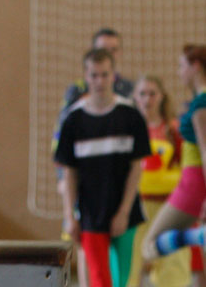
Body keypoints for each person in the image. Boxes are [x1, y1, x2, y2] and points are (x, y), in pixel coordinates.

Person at [55, 47, 151, 287]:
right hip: (89, 213)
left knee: (124, 280)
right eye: (94, 75)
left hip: (125, 211)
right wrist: (69, 216)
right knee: (99, 279)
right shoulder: (73, 120)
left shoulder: (130, 116)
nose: (99, 81)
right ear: (85, 76)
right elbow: (69, 173)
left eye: (104, 74)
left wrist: (124, 212)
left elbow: (136, 168)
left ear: (113, 76)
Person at [142, 45, 206, 284]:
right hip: (194, 183)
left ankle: (198, 236)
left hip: (194, 184)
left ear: (195, 66)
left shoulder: (201, 104)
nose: (179, 72)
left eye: (181, 66)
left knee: (149, 246)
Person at [128, 74, 190, 287]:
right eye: (142, 94)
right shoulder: (128, 130)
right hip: (136, 206)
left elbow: (188, 167)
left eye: (152, 94)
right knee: (131, 264)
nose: (148, 99)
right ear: (135, 97)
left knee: (173, 264)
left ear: (162, 96)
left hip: (169, 207)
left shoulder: (174, 130)